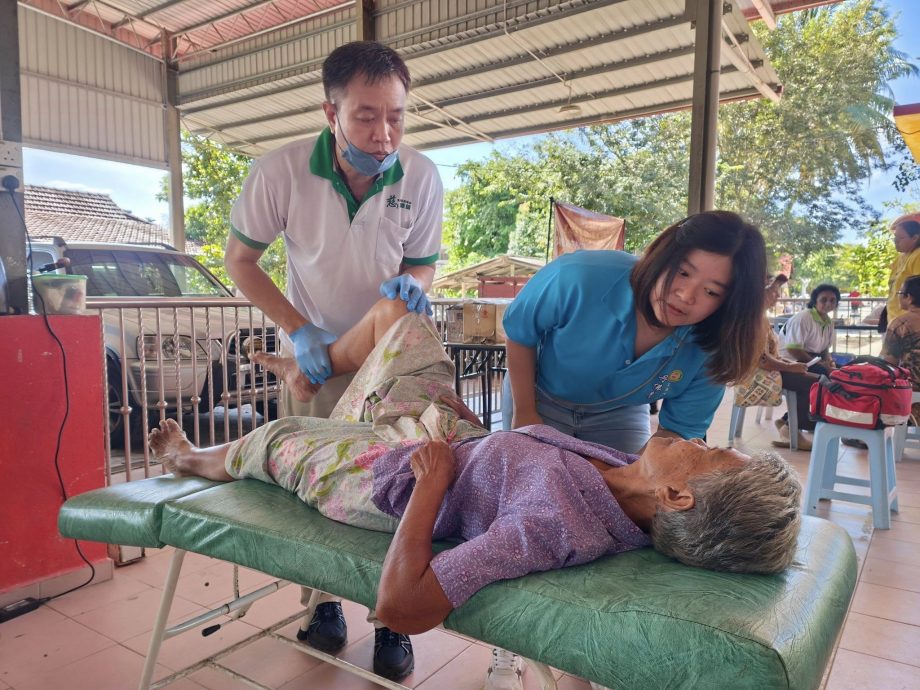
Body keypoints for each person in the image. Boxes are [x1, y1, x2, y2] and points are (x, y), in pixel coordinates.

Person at [149, 298, 802, 640]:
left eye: (710, 452)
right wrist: (487, 443)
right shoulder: (622, 469)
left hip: (389, 478)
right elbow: (521, 472)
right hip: (451, 436)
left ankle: (191, 458)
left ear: (678, 496)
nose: (700, 439)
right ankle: (311, 374)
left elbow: (401, 607)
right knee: (405, 323)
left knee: (277, 435)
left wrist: (430, 487)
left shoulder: (552, 527)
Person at [224, 41, 443, 679]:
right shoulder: (282, 171)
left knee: (390, 482)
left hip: (388, 359)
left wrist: (414, 287)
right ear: (331, 112)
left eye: (396, 117)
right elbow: (241, 261)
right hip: (315, 361)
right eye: (366, 117)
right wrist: (299, 332)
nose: (384, 134)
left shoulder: (421, 176)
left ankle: (389, 619)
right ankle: (322, 605)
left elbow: (422, 263)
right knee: (313, 486)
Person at [501, 210, 768, 454]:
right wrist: (525, 412)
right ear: (664, 256)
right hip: (537, 394)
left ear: (730, 303)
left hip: (619, 411)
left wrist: (629, 477)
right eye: (683, 272)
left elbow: (677, 431)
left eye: (711, 291)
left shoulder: (716, 349)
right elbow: (520, 333)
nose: (686, 296)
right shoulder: (579, 276)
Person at [733, 275, 818, 450]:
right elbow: (762, 360)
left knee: (814, 379)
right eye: (773, 291)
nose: (778, 296)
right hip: (755, 374)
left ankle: (790, 425)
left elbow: (771, 355)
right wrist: (789, 367)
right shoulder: (751, 319)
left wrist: (790, 365)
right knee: (813, 383)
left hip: (766, 369)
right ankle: (791, 429)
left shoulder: (759, 317)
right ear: (758, 294)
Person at [773, 283, 841, 448]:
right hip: (789, 362)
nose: (828, 303)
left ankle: (789, 420)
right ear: (815, 301)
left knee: (839, 374)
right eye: (823, 299)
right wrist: (823, 365)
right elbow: (793, 350)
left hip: (810, 361)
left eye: (832, 300)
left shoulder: (828, 322)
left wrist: (829, 362)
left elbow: (824, 349)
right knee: (824, 380)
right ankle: (792, 427)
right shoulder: (804, 318)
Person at [881, 274, 920, 422]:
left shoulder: (900, 324)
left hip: (911, 393)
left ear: (908, 297)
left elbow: (889, 363)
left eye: (899, 293)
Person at [883, 215, 920, 332]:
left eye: (901, 238)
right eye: (895, 237)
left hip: (911, 327)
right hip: (894, 322)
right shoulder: (900, 258)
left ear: (915, 238)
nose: (896, 241)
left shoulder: (918, 256)